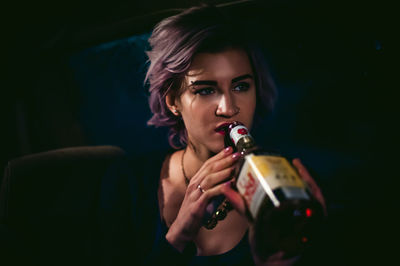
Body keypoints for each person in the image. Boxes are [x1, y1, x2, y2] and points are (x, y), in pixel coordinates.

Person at [99, 4, 326, 266]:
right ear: (173, 100)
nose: (229, 109)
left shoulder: (293, 186)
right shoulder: (126, 183)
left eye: (241, 86)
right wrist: (176, 237)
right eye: (205, 90)